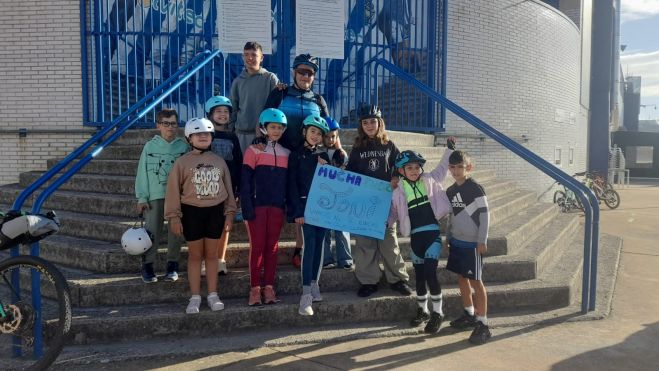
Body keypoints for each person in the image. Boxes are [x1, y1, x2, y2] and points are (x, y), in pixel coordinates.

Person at [264, 53, 330, 268]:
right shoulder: (280, 93)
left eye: (310, 73)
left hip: (307, 159)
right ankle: (268, 250)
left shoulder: (318, 100)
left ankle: (300, 250)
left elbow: (329, 131)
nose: (305, 76)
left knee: (304, 203)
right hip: (281, 155)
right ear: (294, 72)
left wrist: (335, 151)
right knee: (278, 202)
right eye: (302, 71)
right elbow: (265, 121)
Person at [165, 118, 237, 314]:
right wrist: (174, 217)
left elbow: (229, 190)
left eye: (206, 133)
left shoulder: (219, 161)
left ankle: (213, 294)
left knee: (212, 256)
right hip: (191, 212)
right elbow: (172, 191)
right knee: (195, 256)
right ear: (190, 138)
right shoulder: (182, 162)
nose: (203, 136)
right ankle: (195, 296)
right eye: (198, 134)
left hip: (215, 212)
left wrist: (230, 213)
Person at [388, 138, 456, 334]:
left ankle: (438, 313)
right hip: (415, 238)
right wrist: (387, 222)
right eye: (409, 168)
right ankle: (423, 311)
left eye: (417, 167)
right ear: (401, 171)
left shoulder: (429, 180)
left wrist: (449, 150)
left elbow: (443, 168)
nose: (414, 171)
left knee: (430, 274)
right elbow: (393, 212)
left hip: (432, 236)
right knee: (418, 277)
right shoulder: (398, 192)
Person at [346, 104, 412, 298]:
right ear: (361, 125)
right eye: (365, 122)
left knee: (389, 242)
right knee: (365, 244)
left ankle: (398, 279)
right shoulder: (358, 148)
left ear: (379, 122)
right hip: (364, 202)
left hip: (385, 202)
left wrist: (396, 176)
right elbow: (351, 172)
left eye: (373, 121)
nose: (369, 125)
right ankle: (368, 281)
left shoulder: (388, 145)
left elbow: (401, 165)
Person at [241, 108, 290, 306]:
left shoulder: (287, 153)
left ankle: (269, 287)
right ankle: (255, 289)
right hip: (257, 207)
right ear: (264, 128)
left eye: (279, 127)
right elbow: (245, 182)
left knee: (272, 248)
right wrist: (246, 207)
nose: (276, 131)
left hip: (277, 207)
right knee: (258, 247)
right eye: (272, 127)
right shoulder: (253, 151)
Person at [134, 108, 188, 283]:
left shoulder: (184, 146)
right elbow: (142, 173)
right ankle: (148, 266)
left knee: (175, 233)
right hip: (155, 197)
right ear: (159, 125)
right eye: (166, 124)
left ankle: (172, 267)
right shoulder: (149, 146)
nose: (170, 127)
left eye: (173, 123)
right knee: (152, 232)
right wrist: (142, 197)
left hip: (177, 197)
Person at [445, 150, 492, 344]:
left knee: (476, 282)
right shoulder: (450, 191)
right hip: (457, 241)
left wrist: (482, 240)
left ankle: (483, 324)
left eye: (460, 167)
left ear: (468, 167)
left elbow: (485, 215)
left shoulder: (476, 189)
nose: (456, 171)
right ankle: (469, 314)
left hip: (473, 243)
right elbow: (451, 216)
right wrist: (449, 236)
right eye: (453, 167)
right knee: (462, 279)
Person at [287, 115, 332, 316]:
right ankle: (305, 294)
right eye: (313, 131)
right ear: (304, 131)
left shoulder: (323, 156)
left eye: (319, 133)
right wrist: (297, 211)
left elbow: (332, 184)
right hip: (305, 207)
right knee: (310, 245)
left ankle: (315, 283)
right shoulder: (295, 155)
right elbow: (291, 185)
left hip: (323, 208)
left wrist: (327, 168)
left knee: (321, 245)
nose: (316, 136)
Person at [206, 95, 242, 276]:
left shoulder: (232, 137)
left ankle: (220, 259)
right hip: (207, 189)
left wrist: (238, 189)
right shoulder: (205, 135)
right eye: (218, 111)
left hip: (228, 189)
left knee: (225, 225)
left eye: (226, 112)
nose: (222, 115)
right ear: (210, 114)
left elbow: (238, 163)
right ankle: (208, 260)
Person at [230, 41, 279, 152]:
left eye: (254, 55)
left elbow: (277, 106)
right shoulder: (237, 81)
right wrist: (232, 130)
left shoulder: (270, 79)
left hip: (265, 135)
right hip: (242, 135)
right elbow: (233, 108)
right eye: (246, 54)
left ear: (261, 58)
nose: (250, 58)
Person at [321, 117, 353, 271]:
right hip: (323, 196)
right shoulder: (317, 153)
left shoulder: (342, 154)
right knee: (325, 230)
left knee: (341, 228)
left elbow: (348, 174)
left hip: (340, 196)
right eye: (326, 136)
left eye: (333, 136)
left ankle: (345, 258)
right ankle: (326, 258)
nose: (330, 139)